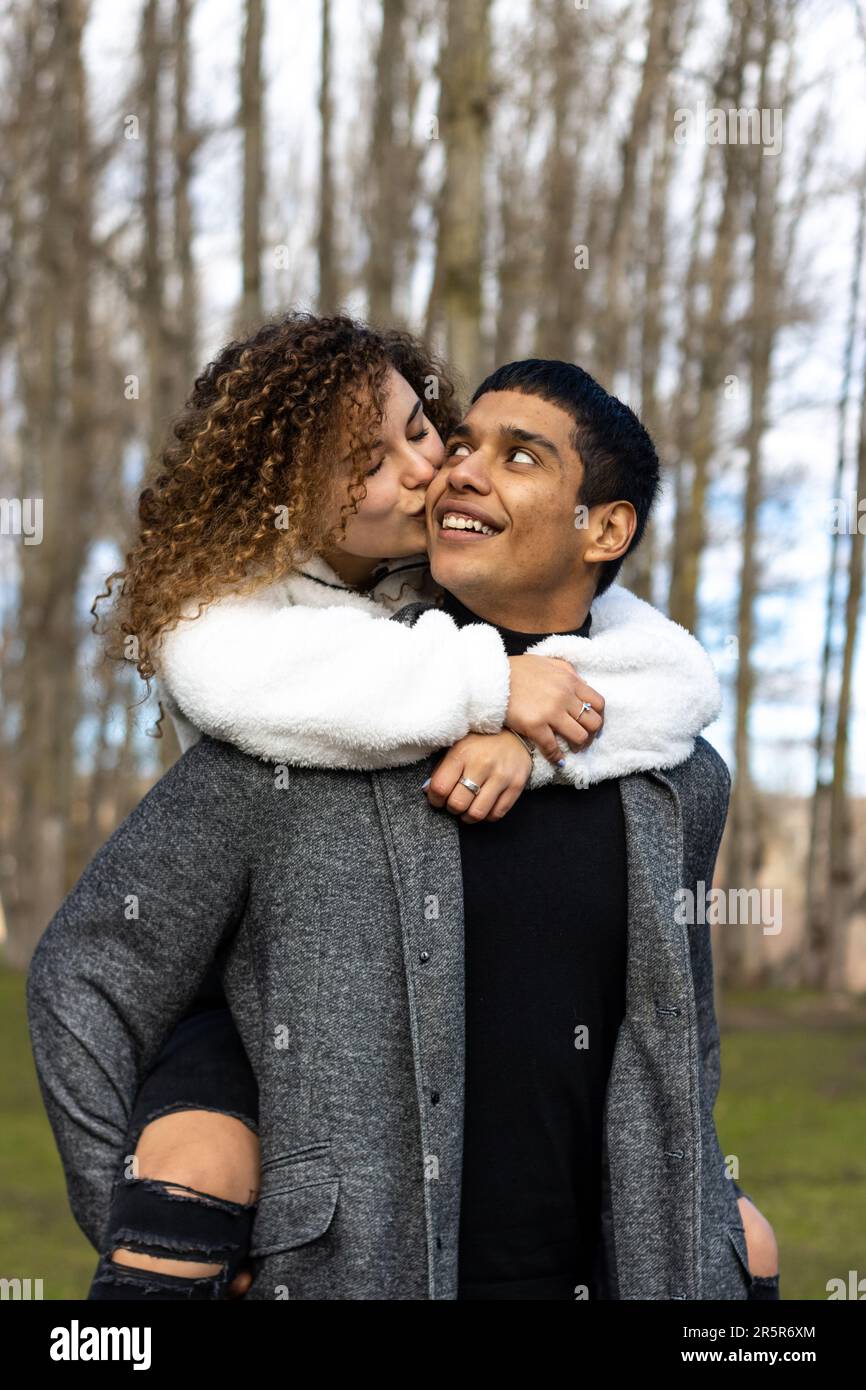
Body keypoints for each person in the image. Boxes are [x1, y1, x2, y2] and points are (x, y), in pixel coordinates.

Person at [29, 342, 778, 1298]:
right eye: (463, 442)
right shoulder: (303, 724)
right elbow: (88, 972)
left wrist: (702, 1226)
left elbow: (682, 1034)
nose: (452, 465)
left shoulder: (681, 778)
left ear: (606, 530)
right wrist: (134, 1224)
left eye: (517, 455)